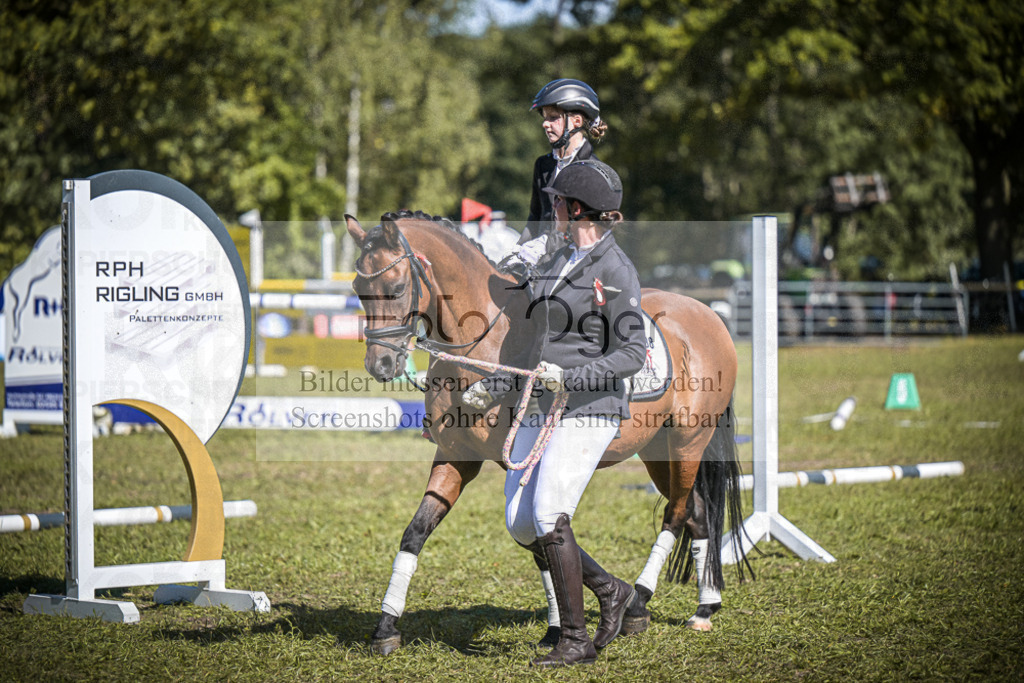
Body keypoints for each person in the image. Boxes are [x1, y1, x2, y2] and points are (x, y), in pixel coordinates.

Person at [465, 159, 647, 667]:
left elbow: (632, 353)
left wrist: (570, 378)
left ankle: (574, 640)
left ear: (576, 208)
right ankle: (611, 590)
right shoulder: (555, 260)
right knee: (521, 524)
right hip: (538, 402)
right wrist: (496, 386)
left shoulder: (615, 270)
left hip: (589, 407)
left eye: (558, 204)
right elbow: (534, 346)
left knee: (549, 514)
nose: (552, 211)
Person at [499, 79, 608, 276]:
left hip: (578, 267)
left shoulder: (592, 171)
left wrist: (543, 246)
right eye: (544, 117)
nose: (544, 124)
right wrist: (518, 249)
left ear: (576, 121)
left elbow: (580, 233)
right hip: (540, 265)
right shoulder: (543, 165)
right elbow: (535, 217)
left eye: (553, 117)